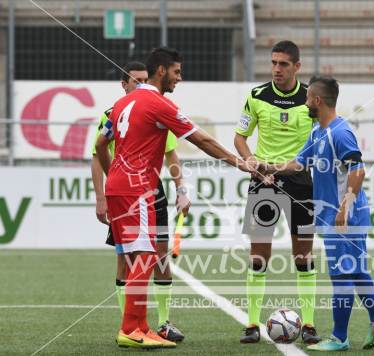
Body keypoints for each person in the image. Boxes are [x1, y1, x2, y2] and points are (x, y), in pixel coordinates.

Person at [95, 47, 251, 349]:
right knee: (144, 256)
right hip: (137, 188)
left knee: (141, 255)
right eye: (177, 72)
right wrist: (242, 164)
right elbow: (202, 139)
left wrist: (113, 172)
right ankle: (130, 329)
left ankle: (140, 325)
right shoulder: (158, 104)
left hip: (121, 186)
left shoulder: (121, 102)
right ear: (162, 71)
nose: (180, 78)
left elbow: (102, 143)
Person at [264, 75, 374, 351]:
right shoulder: (317, 132)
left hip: (344, 218)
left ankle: (340, 338)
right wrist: (268, 168)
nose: (305, 101)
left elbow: (357, 170)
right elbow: (298, 163)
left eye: (308, 97)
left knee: (342, 275)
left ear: (317, 101)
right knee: (356, 271)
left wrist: (344, 207)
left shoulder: (339, 132)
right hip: (332, 218)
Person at [90, 61, 185, 343]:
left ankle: (159, 324)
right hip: (128, 191)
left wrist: (181, 188)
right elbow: (98, 153)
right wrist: (102, 195)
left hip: (151, 189)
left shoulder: (155, 108)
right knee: (128, 258)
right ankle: (130, 326)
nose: (142, 84)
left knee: (159, 255)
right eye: (136, 80)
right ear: (124, 84)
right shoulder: (113, 112)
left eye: (145, 79)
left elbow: (171, 155)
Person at [234, 40, 320, 344]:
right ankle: (251, 324)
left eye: (283, 64)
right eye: (273, 63)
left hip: (300, 181)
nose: (277, 69)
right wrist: (251, 162)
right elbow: (240, 138)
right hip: (262, 181)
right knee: (259, 255)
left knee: (303, 256)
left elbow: (322, 139)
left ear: (297, 66)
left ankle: (308, 324)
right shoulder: (256, 96)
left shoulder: (311, 98)